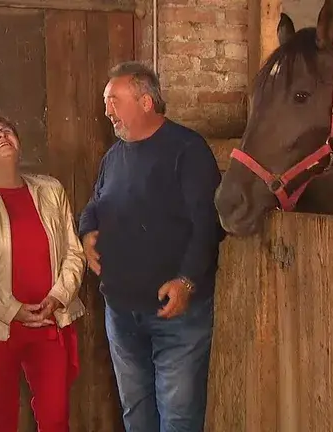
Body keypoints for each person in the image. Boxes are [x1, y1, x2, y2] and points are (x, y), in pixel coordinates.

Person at [78, 61, 224, 432]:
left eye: (114, 101)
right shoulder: (113, 158)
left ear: (146, 102)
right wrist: (86, 231)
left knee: (178, 416)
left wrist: (187, 281)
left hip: (174, 313)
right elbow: (95, 205)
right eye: (105, 102)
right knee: (136, 413)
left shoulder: (187, 151)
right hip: (121, 311)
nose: (106, 111)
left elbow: (209, 223)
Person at [0, 112, 86, 432]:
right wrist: (13, 310)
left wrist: (58, 297)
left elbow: (74, 253)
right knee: (0, 419)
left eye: (7, 130)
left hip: (49, 319)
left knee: (55, 416)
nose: (1, 135)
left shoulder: (51, 190)